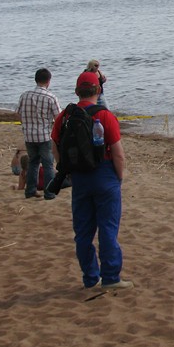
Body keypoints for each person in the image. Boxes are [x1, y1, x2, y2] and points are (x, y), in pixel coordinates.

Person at [51, 71, 132, 290]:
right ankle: (111, 278)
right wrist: (119, 177)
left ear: (77, 92)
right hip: (104, 174)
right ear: (98, 90)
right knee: (108, 227)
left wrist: (66, 170)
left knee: (83, 232)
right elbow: (118, 153)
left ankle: (89, 278)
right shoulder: (105, 116)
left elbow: (55, 147)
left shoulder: (64, 116)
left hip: (79, 177)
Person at [16, 68, 61, 200]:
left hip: (29, 135)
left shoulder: (25, 95)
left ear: (36, 80)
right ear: (48, 81)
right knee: (48, 165)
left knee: (33, 163)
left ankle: (30, 191)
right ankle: (49, 193)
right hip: (44, 135)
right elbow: (58, 117)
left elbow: (18, 113)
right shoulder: (50, 97)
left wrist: (25, 125)